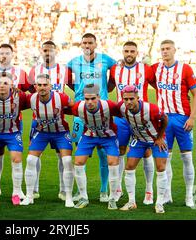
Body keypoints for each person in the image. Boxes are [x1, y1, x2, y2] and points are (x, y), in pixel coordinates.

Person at [67, 33, 117, 203]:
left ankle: (104, 190)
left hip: (102, 110)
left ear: (96, 44)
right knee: (80, 152)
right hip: (81, 110)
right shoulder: (73, 62)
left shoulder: (106, 60)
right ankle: (81, 191)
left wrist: (108, 88)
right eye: (84, 43)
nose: (87, 45)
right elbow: (66, 78)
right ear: (81, 45)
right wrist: (77, 91)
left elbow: (116, 74)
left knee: (104, 153)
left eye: (90, 42)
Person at [152, 40, 196, 208]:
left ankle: (189, 195)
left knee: (187, 157)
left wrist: (192, 117)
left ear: (174, 50)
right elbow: (140, 70)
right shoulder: (155, 68)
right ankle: (167, 195)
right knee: (166, 158)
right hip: (163, 120)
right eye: (162, 49)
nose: (165, 51)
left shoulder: (185, 69)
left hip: (182, 119)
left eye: (168, 49)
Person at [108, 41, 157, 204]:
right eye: (126, 51)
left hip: (143, 118)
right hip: (122, 118)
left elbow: (158, 87)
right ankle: (118, 189)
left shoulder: (146, 69)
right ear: (123, 52)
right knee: (121, 150)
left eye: (132, 51)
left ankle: (149, 190)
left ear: (137, 53)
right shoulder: (116, 69)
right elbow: (109, 87)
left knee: (146, 152)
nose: (129, 54)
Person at [0, 44, 31, 199]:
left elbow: (32, 91)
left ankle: (18, 190)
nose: (4, 55)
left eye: (7, 53)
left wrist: (19, 96)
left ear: (12, 55)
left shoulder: (21, 72)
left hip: (14, 122)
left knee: (16, 156)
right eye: (1, 53)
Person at [27, 40, 74, 201]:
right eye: (45, 50)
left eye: (50, 50)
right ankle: (34, 189)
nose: (48, 53)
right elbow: (27, 90)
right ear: (41, 52)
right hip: (38, 120)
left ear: (56, 51)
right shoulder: (34, 70)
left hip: (58, 119)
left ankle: (63, 190)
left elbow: (74, 88)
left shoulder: (64, 70)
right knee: (35, 156)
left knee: (62, 156)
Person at [20, 74, 75, 207]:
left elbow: (74, 107)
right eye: (39, 85)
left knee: (66, 160)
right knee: (30, 160)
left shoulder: (61, 97)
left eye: (45, 85)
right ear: (35, 87)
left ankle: (68, 196)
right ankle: (29, 195)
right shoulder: (31, 98)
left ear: (51, 86)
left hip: (61, 132)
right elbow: (16, 102)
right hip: (42, 132)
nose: (42, 87)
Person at [118, 85, 169, 214]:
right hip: (139, 140)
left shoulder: (150, 108)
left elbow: (165, 119)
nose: (128, 102)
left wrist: (159, 137)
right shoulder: (121, 108)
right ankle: (131, 202)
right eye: (126, 99)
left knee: (161, 168)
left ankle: (159, 203)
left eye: (131, 99)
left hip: (156, 139)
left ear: (138, 98)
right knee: (129, 166)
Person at [69, 84, 121, 210]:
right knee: (78, 162)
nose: (89, 102)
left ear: (98, 96)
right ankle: (83, 197)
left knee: (112, 162)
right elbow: (65, 109)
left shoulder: (109, 105)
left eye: (93, 98)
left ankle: (112, 198)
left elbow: (124, 115)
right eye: (87, 99)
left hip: (108, 137)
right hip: (89, 136)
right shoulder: (78, 107)